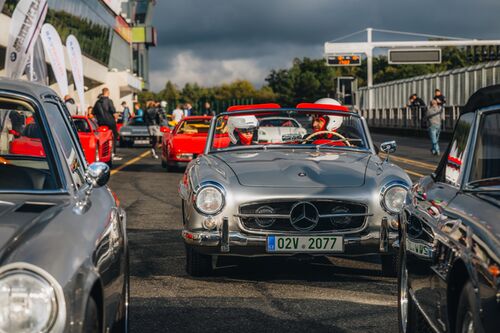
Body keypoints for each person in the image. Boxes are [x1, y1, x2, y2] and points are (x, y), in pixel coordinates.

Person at [93, 88, 121, 160]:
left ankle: (101, 153)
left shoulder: (97, 102)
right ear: (107, 92)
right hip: (110, 122)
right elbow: (113, 112)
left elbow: (93, 113)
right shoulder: (109, 101)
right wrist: (117, 116)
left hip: (101, 123)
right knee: (114, 136)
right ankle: (113, 153)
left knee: (102, 138)